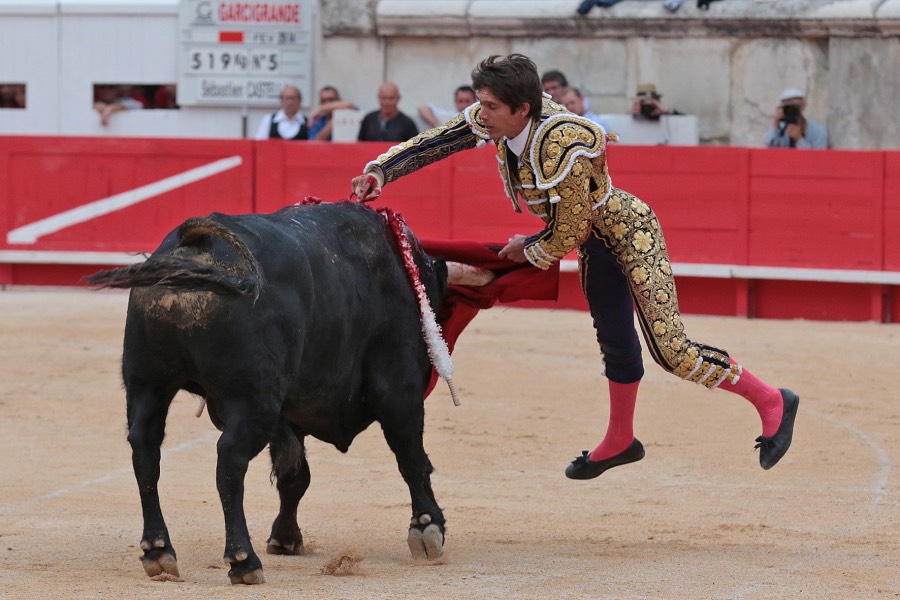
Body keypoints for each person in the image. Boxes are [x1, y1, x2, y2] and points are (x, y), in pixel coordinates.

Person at [351, 53, 798, 480]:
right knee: (617, 344)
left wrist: (527, 248)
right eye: (480, 103)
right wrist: (380, 172)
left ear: (521, 108)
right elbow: (442, 139)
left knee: (671, 351)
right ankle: (621, 439)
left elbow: (569, 229)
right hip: (594, 245)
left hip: (629, 235)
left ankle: (772, 399)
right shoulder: (503, 117)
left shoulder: (563, 141)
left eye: (488, 106)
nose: (479, 114)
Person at [763, 88, 828, 149]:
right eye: (787, 107)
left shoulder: (818, 131)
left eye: (794, 106)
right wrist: (775, 124)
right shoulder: (779, 130)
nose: (791, 110)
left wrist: (799, 139)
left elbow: (818, 158)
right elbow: (767, 152)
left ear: (802, 106)